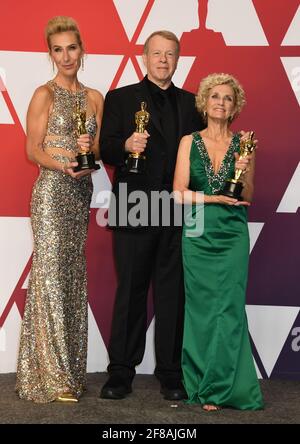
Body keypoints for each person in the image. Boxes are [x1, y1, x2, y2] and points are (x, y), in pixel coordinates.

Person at [99, 30, 204, 400]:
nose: (163, 60)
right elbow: (105, 149)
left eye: (170, 54)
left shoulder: (195, 105)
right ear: (144, 58)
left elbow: (201, 160)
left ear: (178, 59)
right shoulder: (120, 98)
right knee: (130, 291)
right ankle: (121, 373)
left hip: (177, 209)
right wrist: (126, 144)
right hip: (134, 205)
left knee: (173, 294)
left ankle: (171, 374)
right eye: (157, 53)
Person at [15, 16, 103, 403]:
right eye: (58, 49)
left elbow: (98, 151)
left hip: (80, 193)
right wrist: (61, 165)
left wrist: (88, 153)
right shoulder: (44, 94)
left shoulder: (96, 97)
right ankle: (52, 376)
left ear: (81, 50)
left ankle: (70, 369)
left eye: (72, 47)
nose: (66, 56)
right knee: (50, 277)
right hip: (51, 193)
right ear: (50, 54)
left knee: (70, 276)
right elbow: (32, 149)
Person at [173, 73, 264, 410]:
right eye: (215, 97)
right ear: (204, 102)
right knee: (200, 310)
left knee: (228, 308)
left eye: (227, 98)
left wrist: (245, 166)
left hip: (232, 233)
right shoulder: (188, 141)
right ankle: (202, 383)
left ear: (235, 105)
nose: (221, 103)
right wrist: (214, 200)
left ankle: (226, 387)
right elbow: (178, 194)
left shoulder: (245, 143)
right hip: (197, 230)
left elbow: (250, 194)